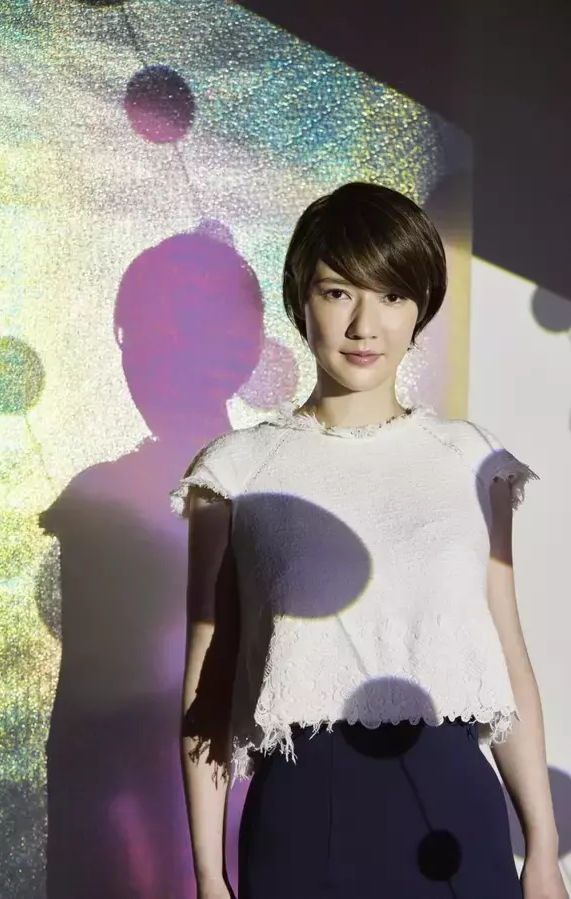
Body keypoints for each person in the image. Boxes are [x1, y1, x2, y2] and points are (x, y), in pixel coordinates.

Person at [170, 182, 567, 899]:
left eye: (391, 294)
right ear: (301, 300)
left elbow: (508, 655)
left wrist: (542, 846)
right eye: (337, 292)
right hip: (303, 825)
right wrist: (207, 874)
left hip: (458, 820)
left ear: (420, 307)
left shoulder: (472, 459)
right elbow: (210, 680)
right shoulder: (234, 470)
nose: (364, 324)